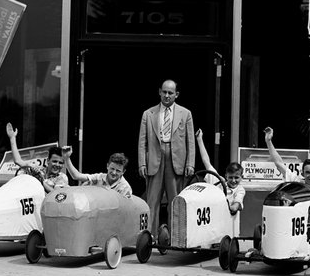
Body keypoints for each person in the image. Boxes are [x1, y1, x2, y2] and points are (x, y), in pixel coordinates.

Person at [138, 79, 195, 234]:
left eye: (170, 93)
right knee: (152, 201)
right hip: (154, 158)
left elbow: (190, 141)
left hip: (176, 160)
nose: (167, 95)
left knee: (175, 200)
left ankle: (175, 236)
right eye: (164, 92)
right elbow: (142, 141)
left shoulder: (186, 114)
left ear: (176, 94)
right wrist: (142, 163)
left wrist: (190, 163)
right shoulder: (148, 114)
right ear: (159, 92)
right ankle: (149, 237)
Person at [5, 123, 68, 193]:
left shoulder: (62, 177)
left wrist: (41, 181)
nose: (57, 165)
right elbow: (18, 161)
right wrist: (12, 138)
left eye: (60, 163)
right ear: (48, 161)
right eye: (55, 161)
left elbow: (56, 195)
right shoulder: (38, 170)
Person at [264, 127, 310, 196]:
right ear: (302, 174)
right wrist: (268, 141)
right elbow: (279, 163)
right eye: (307, 172)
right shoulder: (296, 182)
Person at [195, 129, 244, 215]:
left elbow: (236, 205)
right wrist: (199, 139)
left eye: (236, 178)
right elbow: (206, 161)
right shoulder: (219, 182)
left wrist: (227, 206)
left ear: (241, 177)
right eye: (230, 177)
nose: (233, 180)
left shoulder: (240, 190)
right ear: (226, 176)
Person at [62, 146, 132, 198]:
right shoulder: (99, 177)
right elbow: (76, 176)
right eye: (112, 168)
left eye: (118, 171)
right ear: (107, 166)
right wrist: (67, 158)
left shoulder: (125, 188)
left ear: (123, 172)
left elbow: (123, 211)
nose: (114, 172)